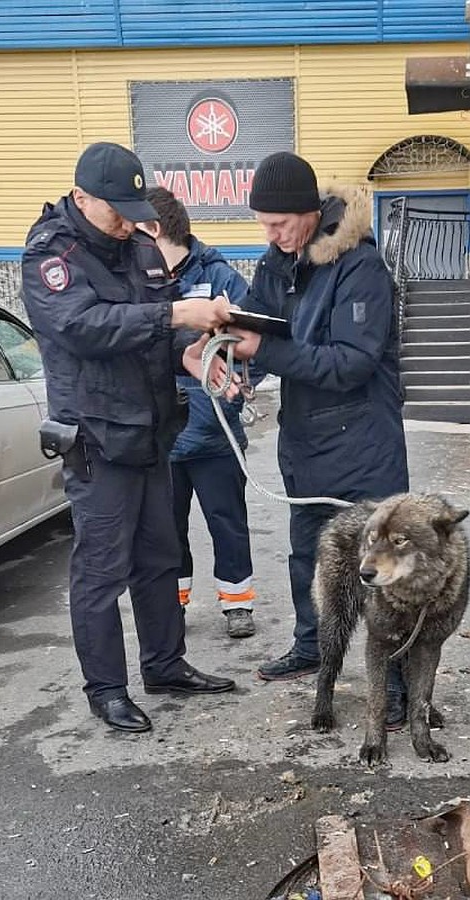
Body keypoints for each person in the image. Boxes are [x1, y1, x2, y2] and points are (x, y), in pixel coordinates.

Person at [21, 141, 237, 735]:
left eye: (131, 207)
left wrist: (192, 356)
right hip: (95, 438)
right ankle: (107, 690)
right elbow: (83, 327)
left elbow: (158, 334)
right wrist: (175, 319)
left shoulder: (140, 247)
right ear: (81, 196)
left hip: (150, 432)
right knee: (101, 570)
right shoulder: (50, 255)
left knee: (160, 558)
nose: (127, 219)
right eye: (114, 207)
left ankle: (165, 665)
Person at [223, 151, 411, 727]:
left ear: (310, 212)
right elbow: (251, 326)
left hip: (365, 445)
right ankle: (312, 647)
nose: (271, 234)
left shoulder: (361, 268)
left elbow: (352, 363)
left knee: (379, 572)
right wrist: (231, 360)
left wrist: (267, 352)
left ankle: (397, 682)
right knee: (308, 555)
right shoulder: (277, 264)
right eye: (263, 224)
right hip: (305, 443)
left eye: (280, 223)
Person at [138, 187, 257, 640]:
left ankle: (237, 601)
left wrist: (239, 386)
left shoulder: (221, 278)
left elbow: (253, 344)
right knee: (166, 530)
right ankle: (174, 601)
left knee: (227, 522)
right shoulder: (140, 280)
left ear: (154, 229)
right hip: (161, 436)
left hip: (214, 433)